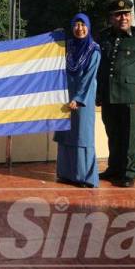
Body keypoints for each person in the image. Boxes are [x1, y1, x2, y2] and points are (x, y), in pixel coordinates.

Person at [97, 0, 135, 187]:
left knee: (131, 136)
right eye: (119, 14)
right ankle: (114, 168)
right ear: (111, 18)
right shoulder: (104, 38)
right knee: (113, 134)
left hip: (132, 95)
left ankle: (129, 173)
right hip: (110, 95)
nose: (123, 18)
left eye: (127, 14)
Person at [54, 13, 101, 188]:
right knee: (66, 134)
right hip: (65, 97)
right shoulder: (69, 47)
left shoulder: (93, 49)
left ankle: (85, 177)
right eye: (76, 25)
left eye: (83, 25)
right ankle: (67, 174)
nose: (79, 29)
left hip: (83, 99)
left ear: (88, 27)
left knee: (82, 136)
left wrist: (78, 98)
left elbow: (89, 78)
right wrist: (57, 36)